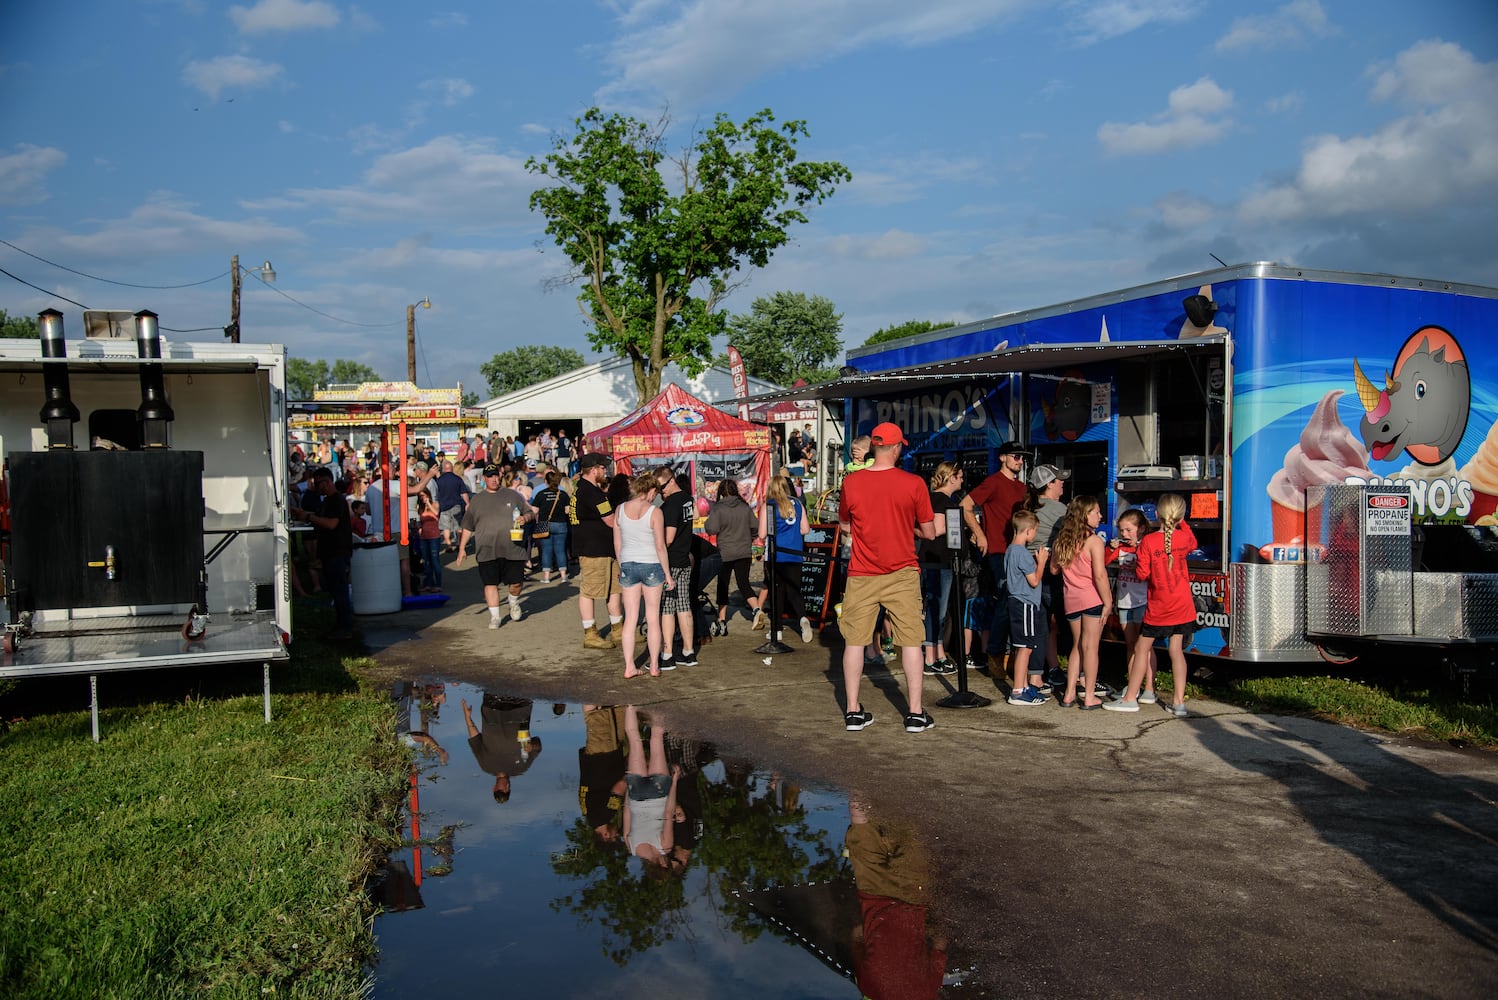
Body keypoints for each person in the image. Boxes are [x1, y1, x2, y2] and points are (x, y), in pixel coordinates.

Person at [837, 422, 939, 734]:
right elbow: (930, 532)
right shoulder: (914, 483)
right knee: (910, 641)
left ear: (873, 448)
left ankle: (853, 712)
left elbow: (844, 527)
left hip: (862, 572)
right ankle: (914, 713)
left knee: (854, 641)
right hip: (902, 573)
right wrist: (907, 527)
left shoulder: (852, 483)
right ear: (896, 448)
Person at [1107, 493, 1196, 716]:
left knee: (1140, 648)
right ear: (1179, 516)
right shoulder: (1183, 538)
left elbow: (1143, 573)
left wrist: (1137, 565)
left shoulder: (1148, 541)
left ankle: (1130, 698)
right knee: (1177, 651)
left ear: (1156, 515)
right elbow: (1193, 542)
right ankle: (1178, 703)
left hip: (1159, 607)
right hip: (1183, 605)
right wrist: (1180, 521)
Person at [959, 441, 1029, 677]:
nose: (1019, 460)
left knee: (1012, 602)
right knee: (1005, 601)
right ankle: (996, 654)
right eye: (1015, 456)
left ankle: (1008, 656)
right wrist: (980, 535)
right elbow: (965, 505)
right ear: (1002, 458)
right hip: (999, 552)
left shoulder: (1021, 487)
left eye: (1022, 457)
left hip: (1020, 552)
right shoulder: (993, 482)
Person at [454, 462, 536, 628]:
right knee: (490, 584)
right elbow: (467, 527)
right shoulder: (476, 500)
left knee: (517, 583)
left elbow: (530, 513)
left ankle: (513, 601)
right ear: (484, 478)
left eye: (495, 475)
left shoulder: (512, 496)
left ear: (500, 476)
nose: (493, 479)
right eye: (489, 476)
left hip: (513, 548)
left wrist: (524, 518)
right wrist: (462, 548)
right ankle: (495, 616)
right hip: (486, 550)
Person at [1051, 497, 1111, 709]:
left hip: (1071, 600)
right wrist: (1108, 601)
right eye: (1096, 512)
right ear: (1085, 515)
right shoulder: (1094, 542)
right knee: (1091, 648)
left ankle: (1069, 693)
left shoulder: (1062, 540)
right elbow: (1100, 576)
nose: (1100, 516)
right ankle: (1090, 695)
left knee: (1077, 646)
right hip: (1091, 599)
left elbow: (1053, 569)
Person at [615, 471, 673, 679]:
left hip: (628, 564)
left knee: (630, 618)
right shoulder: (655, 512)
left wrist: (622, 565)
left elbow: (618, 543)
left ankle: (629, 666)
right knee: (652, 617)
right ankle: (655, 665)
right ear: (649, 490)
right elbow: (660, 546)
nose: (654, 497)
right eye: (653, 493)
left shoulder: (620, 510)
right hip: (651, 565)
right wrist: (668, 574)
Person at [292, 467, 354, 639]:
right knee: (335, 590)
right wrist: (302, 515)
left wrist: (309, 517)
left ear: (327, 482)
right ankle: (341, 625)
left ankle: (345, 628)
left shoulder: (337, 501)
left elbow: (331, 524)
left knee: (340, 591)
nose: (317, 487)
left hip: (337, 552)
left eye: (318, 483)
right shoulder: (327, 501)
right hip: (329, 552)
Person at [1105, 508, 1158, 705]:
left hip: (1143, 601)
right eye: (1121, 530)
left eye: (1128, 530)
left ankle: (1149, 688)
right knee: (1130, 646)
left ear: (1141, 529)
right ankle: (1133, 686)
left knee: (1144, 647)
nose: (1124, 534)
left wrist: (1139, 566)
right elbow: (1104, 561)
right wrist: (1111, 548)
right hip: (1124, 602)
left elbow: (1154, 572)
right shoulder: (1121, 547)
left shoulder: (1147, 546)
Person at [572, 453, 624, 649]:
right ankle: (590, 633)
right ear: (594, 470)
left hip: (602, 549)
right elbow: (610, 520)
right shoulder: (592, 492)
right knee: (590, 590)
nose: (605, 472)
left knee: (614, 589)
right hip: (593, 550)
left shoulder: (583, 489)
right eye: (603, 468)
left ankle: (618, 629)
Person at [1025, 463, 1071, 683]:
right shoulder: (1061, 511)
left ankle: (1044, 673)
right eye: (1059, 480)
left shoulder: (1027, 508)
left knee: (1041, 626)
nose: (1062, 483)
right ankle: (1078, 676)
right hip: (1053, 573)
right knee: (1067, 625)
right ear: (1050, 484)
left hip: (1030, 573)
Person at [621, 705, 682, 872]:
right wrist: (628, 788)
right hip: (636, 793)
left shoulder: (665, 847)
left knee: (656, 739)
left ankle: (657, 700)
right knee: (634, 740)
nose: (667, 859)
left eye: (667, 862)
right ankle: (630, 703)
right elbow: (626, 813)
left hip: (659, 793)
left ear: (662, 865)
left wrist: (675, 782)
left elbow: (668, 814)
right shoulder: (631, 847)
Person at [755, 471, 813, 642]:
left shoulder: (769, 506)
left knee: (777, 593)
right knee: (795, 591)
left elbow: (762, 533)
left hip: (777, 555)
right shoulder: (797, 503)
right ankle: (803, 618)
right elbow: (806, 529)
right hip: (795, 554)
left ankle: (777, 630)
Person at [919, 462, 964, 675]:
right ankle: (930, 657)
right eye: (960, 476)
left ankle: (938, 653)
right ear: (951, 477)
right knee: (936, 608)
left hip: (937, 560)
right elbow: (935, 529)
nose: (962, 480)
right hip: (936, 559)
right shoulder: (940, 500)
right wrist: (953, 527)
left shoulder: (934, 498)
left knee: (939, 609)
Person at [1003, 510, 1050, 705]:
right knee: (1026, 648)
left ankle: (1022, 685)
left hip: (1015, 601)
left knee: (1022, 646)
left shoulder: (1010, 550)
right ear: (1028, 530)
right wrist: (1042, 562)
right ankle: (1018, 691)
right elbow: (1034, 580)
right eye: (1035, 532)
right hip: (1026, 604)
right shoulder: (1022, 553)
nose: (1034, 536)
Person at [460, 694, 541, 804]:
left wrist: (467, 717)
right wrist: (532, 746)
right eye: (508, 790)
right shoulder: (521, 767)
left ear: (494, 788)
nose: (507, 786)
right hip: (520, 708)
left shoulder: (486, 766)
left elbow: (475, 738)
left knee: (494, 680)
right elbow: (538, 746)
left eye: (502, 790)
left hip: (492, 709)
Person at [704, 479, 760, 635]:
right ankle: (757, 610)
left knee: (723, 584)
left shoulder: (719, 508)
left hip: (725, 553)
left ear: (721, 493)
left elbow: (711, 529)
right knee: (744, 583)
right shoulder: (744, 507)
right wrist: (751, 537)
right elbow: (755, 527)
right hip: (744, 552)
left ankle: (722, 619)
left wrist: (709, 521)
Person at [655, 469, 699, 669]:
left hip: (670, 562)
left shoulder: (671, 504)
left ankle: (667, 654)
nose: (660, 493)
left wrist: (655, 549)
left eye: (662, 488)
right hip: (683, 559)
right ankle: (689, 652)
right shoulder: (687, 499)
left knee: (667, 608)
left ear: (671, 481)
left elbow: (669, 537)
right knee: (684, 605)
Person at [532, 470, 571, 584]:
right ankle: (564, 576)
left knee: (546, 550)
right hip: (561, 524)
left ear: (546, 481)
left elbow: (535, 510)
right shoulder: (562, 494)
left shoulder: (541, 494)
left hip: (545, 524)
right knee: (560, 550)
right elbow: (567, 510)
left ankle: (546, 577)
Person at [415, 491, 444, 592]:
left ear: (428, 495)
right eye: (420, 496)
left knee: (435, 560)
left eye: (424, 495)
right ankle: (429, 583)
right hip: (424, 536)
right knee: (426, 561)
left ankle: (438, 584)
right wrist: (418, 527)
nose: (422, 498)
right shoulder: (420, 507)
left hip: (434, 536)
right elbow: (420, 520)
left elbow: (436, 514)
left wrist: (428, 504)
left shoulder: (435, 504)